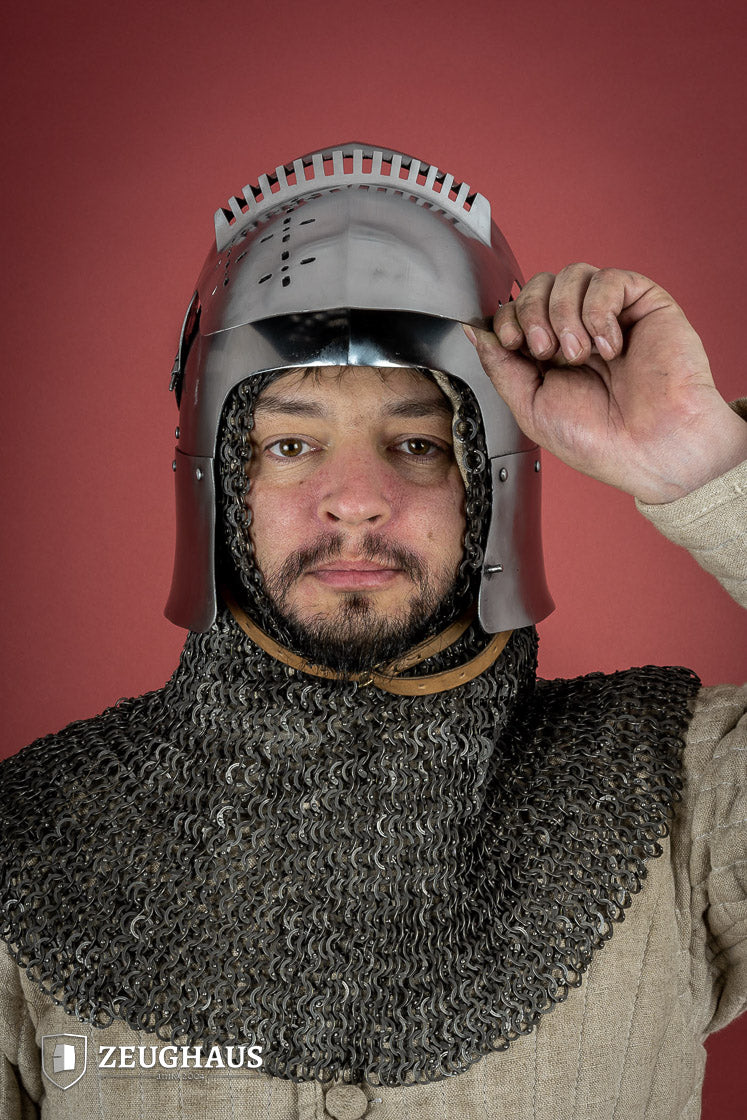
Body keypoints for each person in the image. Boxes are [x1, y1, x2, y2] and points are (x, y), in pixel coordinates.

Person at [1, 142, 745, 1120]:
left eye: (419, 442)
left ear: (490, 476)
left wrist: (703, 462)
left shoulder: (676, 790)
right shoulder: (35, 842)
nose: (355, 499)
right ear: (221, 479)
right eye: (291, 442)